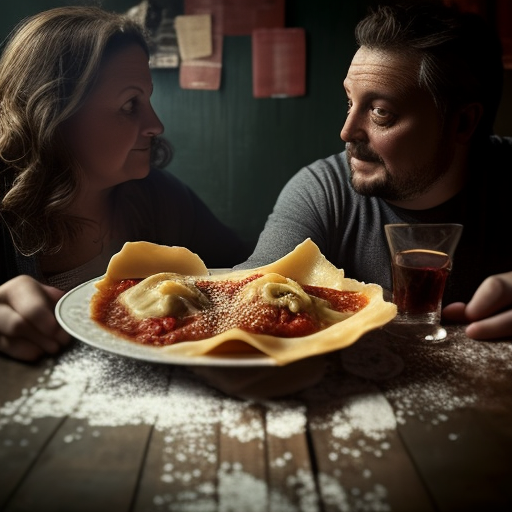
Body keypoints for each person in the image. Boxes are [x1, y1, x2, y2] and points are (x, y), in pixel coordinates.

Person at [236, 1, 512, 341]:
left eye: (381, 112)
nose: (347, 132)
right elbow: (249, 292)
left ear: (463, 123)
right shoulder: (322, 190)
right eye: (350, 102)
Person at [0, 6, 249, 362]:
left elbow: (244, 270)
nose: (156, 125)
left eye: (148, 100)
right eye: (130, 104)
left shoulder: (162, 197)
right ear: (54, 114)